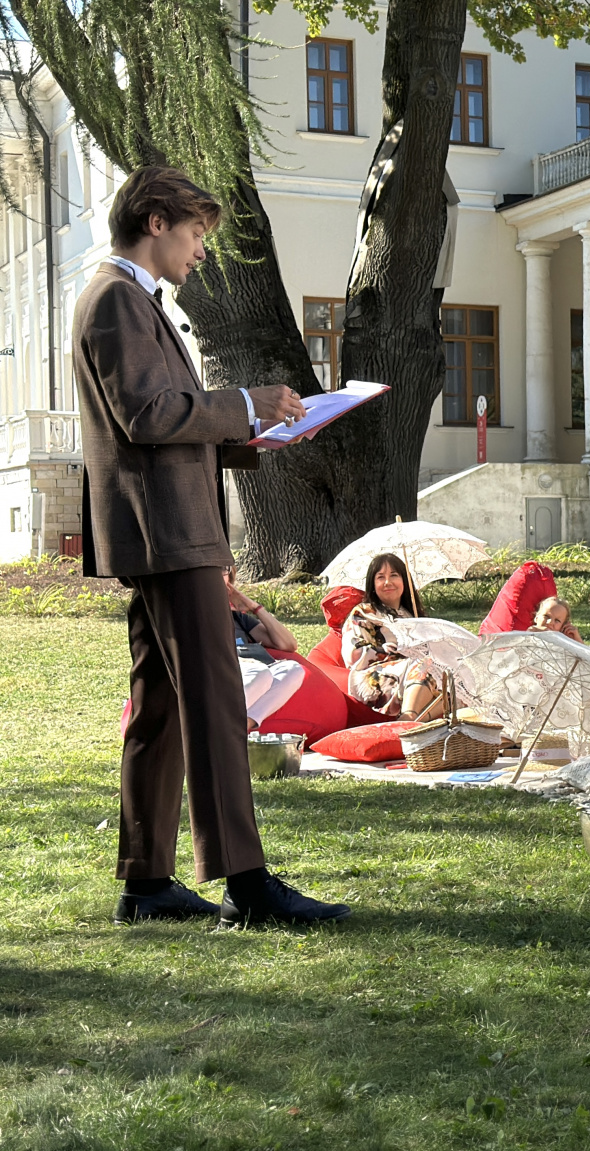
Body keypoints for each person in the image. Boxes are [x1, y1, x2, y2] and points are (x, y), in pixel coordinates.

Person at [79, 165, 346, 927]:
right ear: (157, 221)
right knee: (215, 702)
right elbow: (148, 415)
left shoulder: (129, 300)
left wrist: (255, 429)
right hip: (169, 531)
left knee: (160, 705)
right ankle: (246, 884)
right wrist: (242, 403)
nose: (201, 251)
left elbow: (166, 422)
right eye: (196, 234)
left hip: (166, 525)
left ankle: (146, 880)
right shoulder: (115, 300)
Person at [342, 553, 444, 721]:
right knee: (424, 666)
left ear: (404, 580)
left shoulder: (412, 615)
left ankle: (416, 721)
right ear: (373, 584)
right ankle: (408, 717)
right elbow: (353, 652)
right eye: (380, 577)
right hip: (375, 676)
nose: (388, 582)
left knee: (453, 678)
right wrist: (382, 650)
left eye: (394, 575)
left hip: (415, 669)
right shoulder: (364, 613)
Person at [224, 565, 304, 731]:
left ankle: (236, 728)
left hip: (248, 669)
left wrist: (254, 607)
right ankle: (221, 724)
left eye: (224, 570)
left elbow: (288, 644)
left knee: (293, 669)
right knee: (261, 673)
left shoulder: (238, 618)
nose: (217, 576)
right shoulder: (196, 612)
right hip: (223, 667)